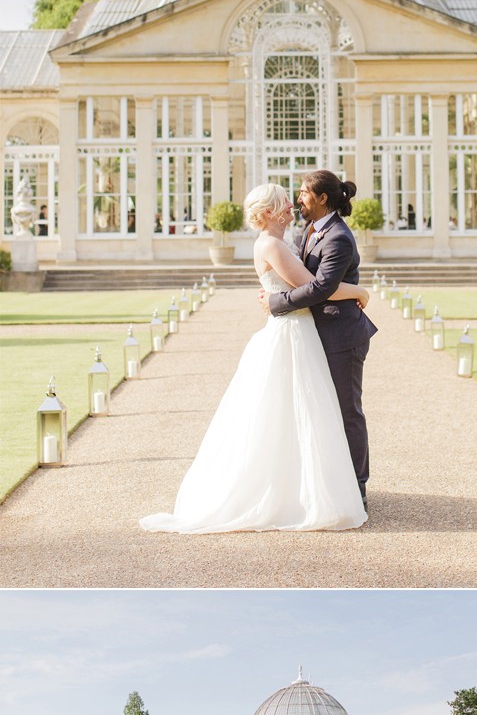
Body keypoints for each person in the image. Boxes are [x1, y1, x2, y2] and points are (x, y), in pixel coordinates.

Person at [139, 182, 370, 533]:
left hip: (300, 331)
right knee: (294, 412)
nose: (292, 206)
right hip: (291, 333)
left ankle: (306, 486)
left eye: (295, 199)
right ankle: (295, 492)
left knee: (304, 413)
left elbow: (309, 284)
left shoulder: (287, 240)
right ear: (266, 213)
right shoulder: (273, 245)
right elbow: (316, 286)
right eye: (283, 204)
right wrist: (359, 291)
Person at [259, 170, 377, 510]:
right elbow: (294, 276)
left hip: (341, 335)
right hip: (313, 335)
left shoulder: (338, 236)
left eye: (303, 194)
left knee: (346, 412)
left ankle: (358, 488)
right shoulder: (307, 230)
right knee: (317, 412)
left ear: (322, 198)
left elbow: (320, 288)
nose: (298, 200)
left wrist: (275, 304)